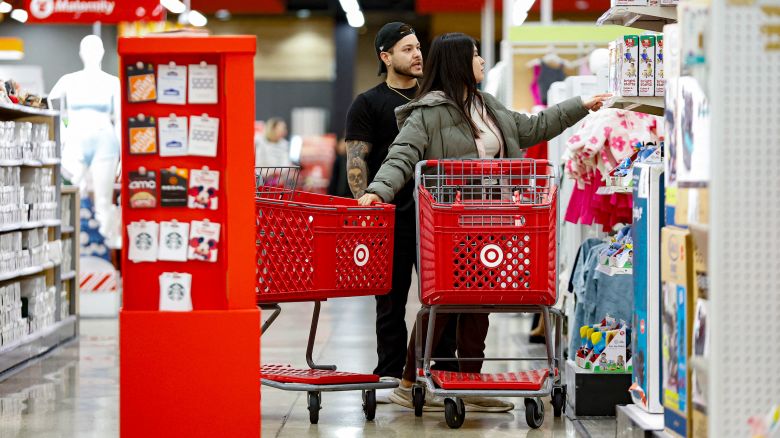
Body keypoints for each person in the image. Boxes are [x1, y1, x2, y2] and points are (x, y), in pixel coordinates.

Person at [358, 32, 609, 410]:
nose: (482, 62)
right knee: (443, 302)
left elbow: (532, 128)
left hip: (494, 220)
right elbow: (401, 155)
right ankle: (409, 382)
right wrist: (379, 190)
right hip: (449, 225)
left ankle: (470, 383)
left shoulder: (486, 105)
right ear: (459, 61)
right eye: (475, 55)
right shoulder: (428, 112)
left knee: (482, 300)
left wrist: (580, 105)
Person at [344, 22, 459, 410]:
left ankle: (439, 370)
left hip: (436, 218)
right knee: (390, 303)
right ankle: (391, 374)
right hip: (390, 219)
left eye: (418, 48)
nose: (417, 55)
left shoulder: (436, 100)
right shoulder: (369, 102)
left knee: (443, 299)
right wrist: (367, 211)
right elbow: (356, 162)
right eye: (407, 49)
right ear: (385, 56)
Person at [48, 35, 121, 245]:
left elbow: (120, 119)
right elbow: (49, 103)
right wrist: (62, 131)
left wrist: (124, 154)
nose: (91, 54)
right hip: (76, 140)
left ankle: (105, 245)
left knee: (103, 200)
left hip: (105, 142)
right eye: (87, 49)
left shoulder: (112, 82)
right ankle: (69, 240)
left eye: (95, 49)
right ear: (80, 53)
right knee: (70, 192)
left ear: (102, 53)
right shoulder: (69, 80)